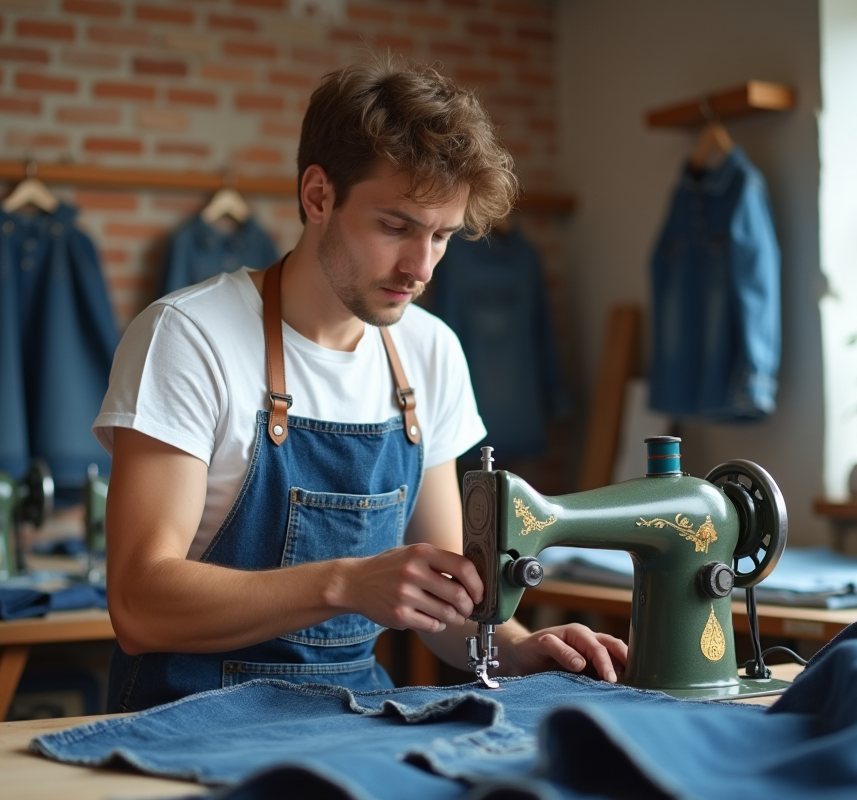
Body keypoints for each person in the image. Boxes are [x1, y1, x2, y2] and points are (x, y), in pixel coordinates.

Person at [94, 52, 628, 713]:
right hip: (188, 719)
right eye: (396, 227)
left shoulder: (430, 350)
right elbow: (139, 606)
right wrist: (346, 583)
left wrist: (516, 648)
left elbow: (445, 603)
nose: (421, 267)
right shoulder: (189, 337)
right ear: (318, 196)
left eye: (442, 237)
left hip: (352, 715)